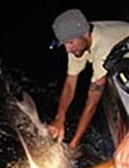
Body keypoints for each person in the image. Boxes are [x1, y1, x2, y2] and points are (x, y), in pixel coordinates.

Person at [49, 9, 129, 150]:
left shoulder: (103, 49)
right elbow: (70, 83)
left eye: (70, 43)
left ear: (85, 35)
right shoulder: (78, 37)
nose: (67, 50)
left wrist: (74, 144)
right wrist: (59, 118)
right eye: (65, 44)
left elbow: (92, 103)